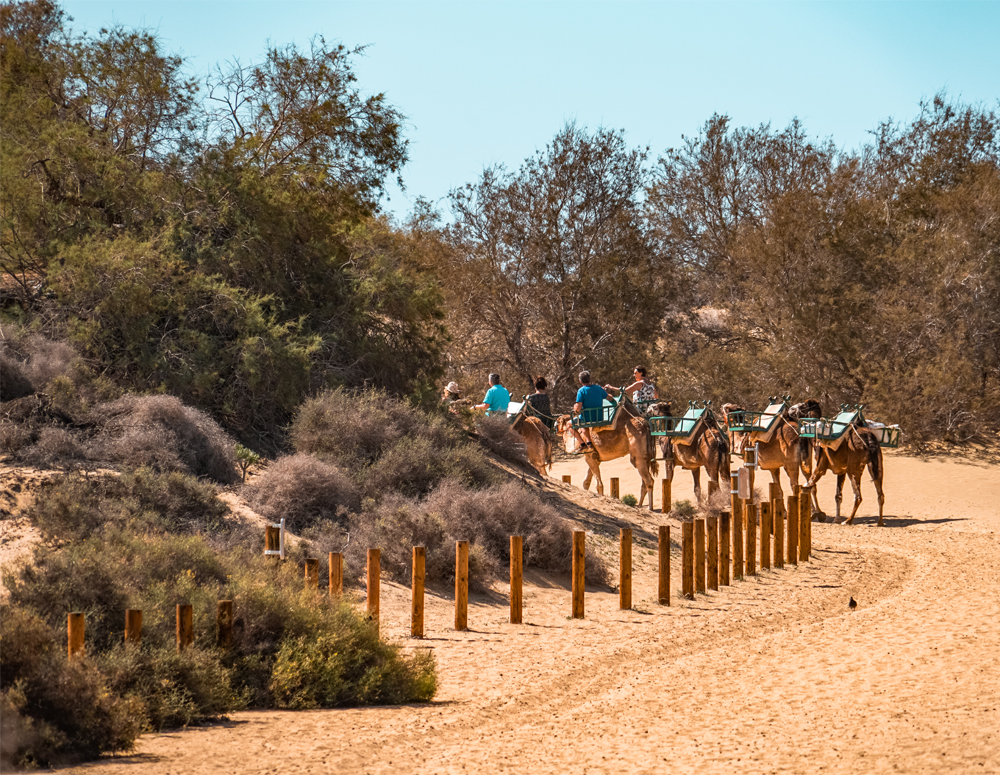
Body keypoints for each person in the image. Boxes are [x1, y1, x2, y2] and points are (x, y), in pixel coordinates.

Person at [572, 370, 608, 451]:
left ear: (580, 381)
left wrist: (575, 409)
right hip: (599, 417)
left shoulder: (581, 391)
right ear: (590, 379)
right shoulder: (598, 388)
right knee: (582, 422)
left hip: (587, 419)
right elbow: (609, 397)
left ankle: (583, 443)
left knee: (569, 425)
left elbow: (578, 407)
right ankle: (588, 442)